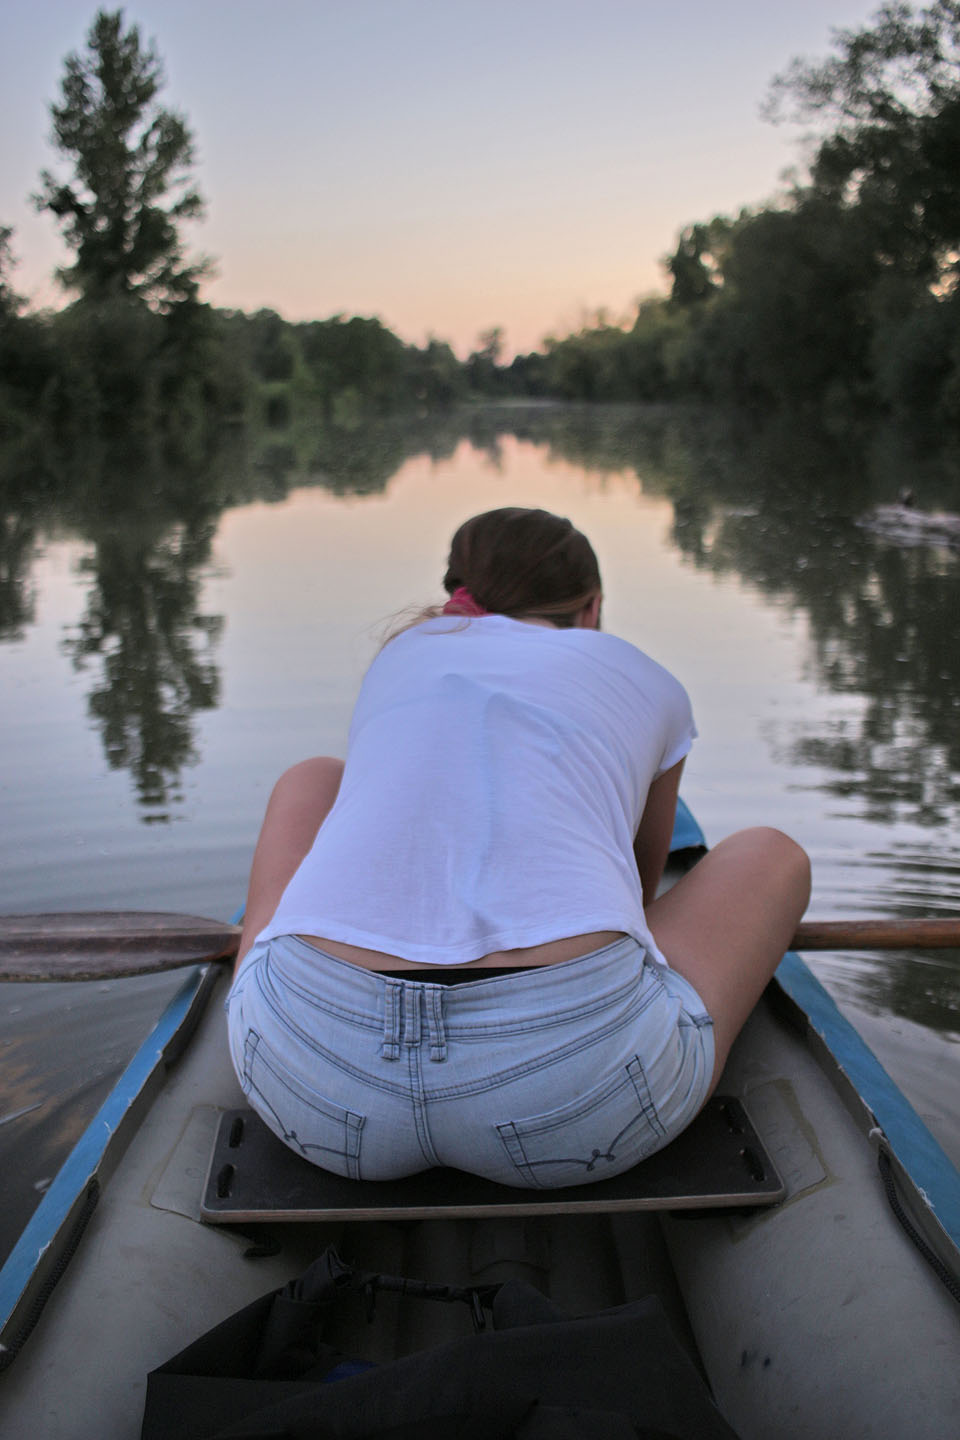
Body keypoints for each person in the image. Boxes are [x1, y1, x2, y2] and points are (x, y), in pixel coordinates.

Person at [227, 507, 810, 1189]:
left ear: (460, 589)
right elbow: (639, 898)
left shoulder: (404, 651)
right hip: (575, 1101)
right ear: (592, 608)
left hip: (312, 1085)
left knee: (313, 778)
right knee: (773, 852)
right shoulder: (646, 676)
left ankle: (256, 974)